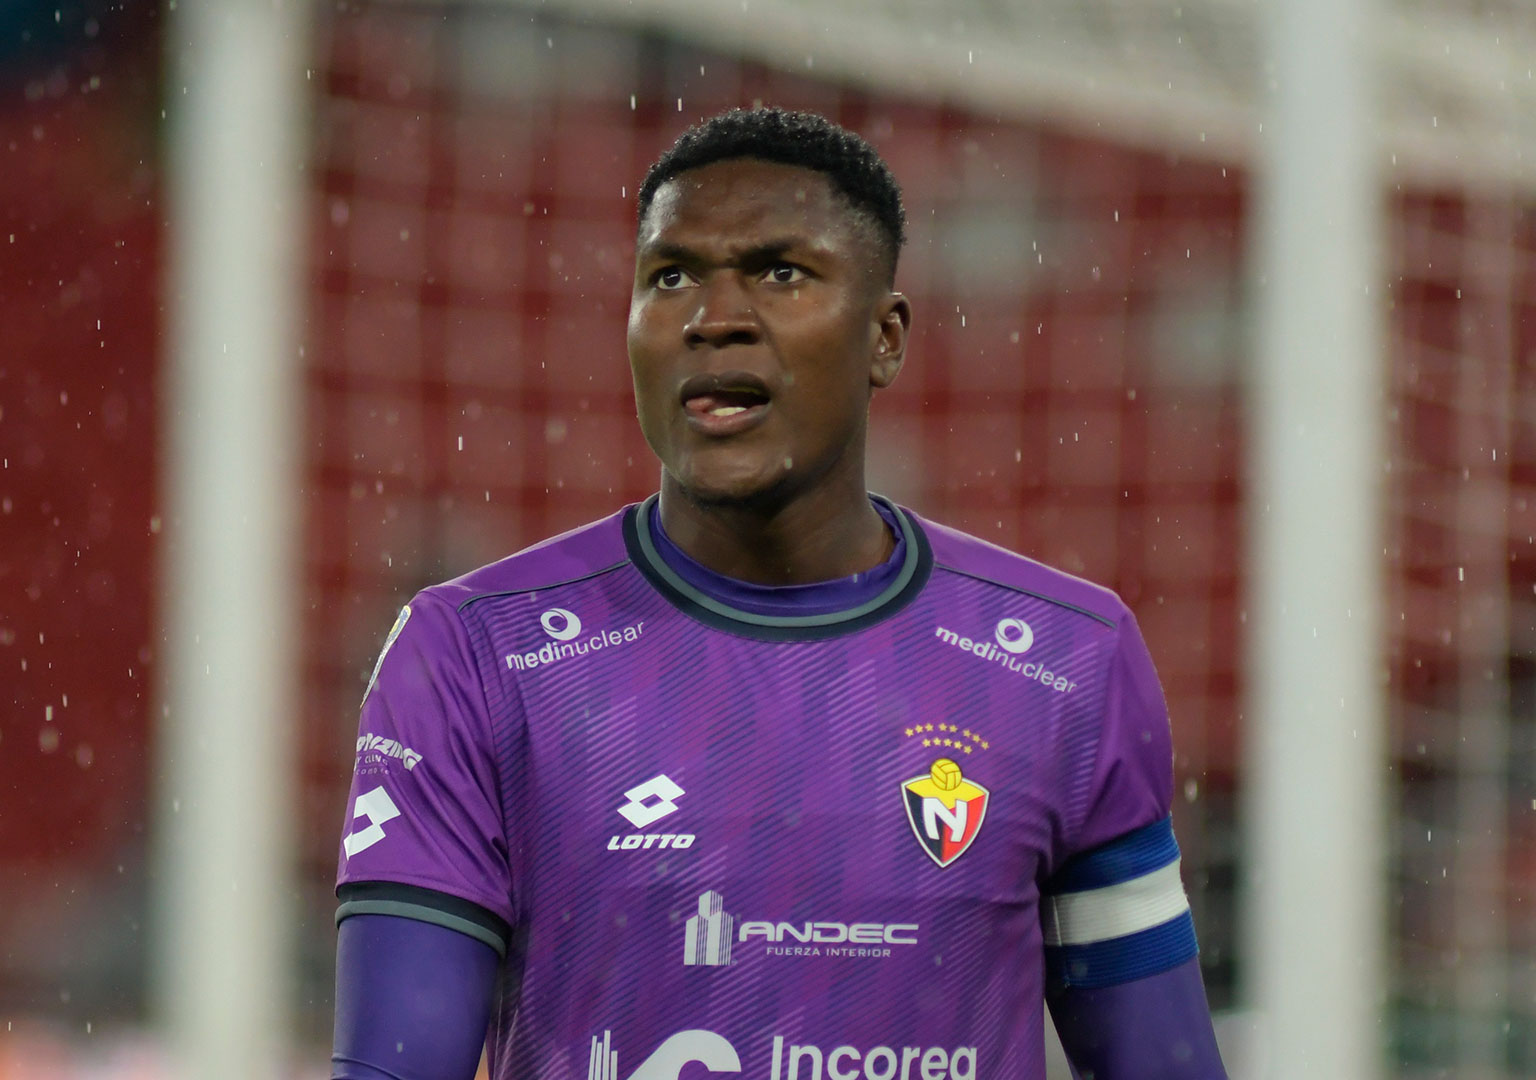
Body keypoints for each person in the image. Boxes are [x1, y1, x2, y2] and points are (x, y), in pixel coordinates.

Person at [331, 107, 1227, 1080]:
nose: (713, 316)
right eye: (671, 277)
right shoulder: (474, 656)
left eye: (779, 272)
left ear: (885, 338)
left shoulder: (1065, 663)